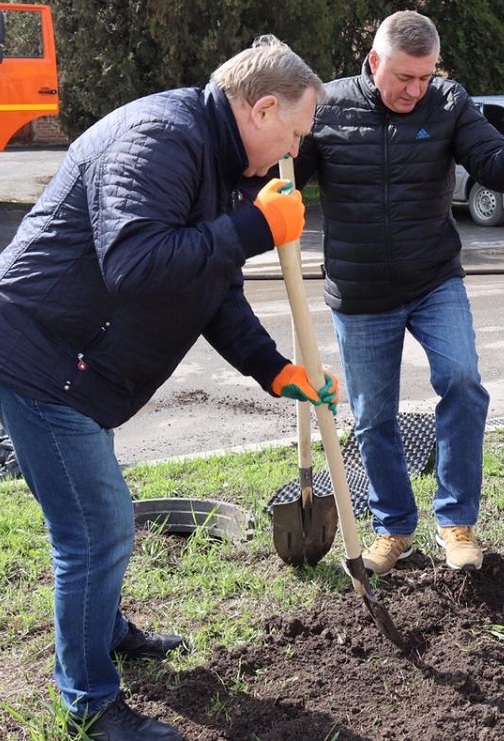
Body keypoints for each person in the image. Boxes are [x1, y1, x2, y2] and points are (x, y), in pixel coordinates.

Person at [0, 37, 338, 741]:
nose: (295, 155)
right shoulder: (161, 139)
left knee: (100, 521)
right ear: (264, 106)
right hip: (42, 356)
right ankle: (90, 704)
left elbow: (211, 289)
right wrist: (254, 227)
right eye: (294, 134)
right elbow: (138, 264)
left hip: (85, 362)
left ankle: (106, 627)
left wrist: (272, 367)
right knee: (96, 530)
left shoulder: (225, 161)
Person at [284, 10, 504, 575]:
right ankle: (393, 528)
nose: (415, 89)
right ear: (375, 61)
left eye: (425, 76)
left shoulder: (448, 101)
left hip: (434, 280)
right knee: (372, 415)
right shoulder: (328, 105)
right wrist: (272, 187)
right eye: (404, 77)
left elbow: (495, 168)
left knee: (463, 382)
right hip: (359, 291)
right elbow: (286, 172)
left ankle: (456, 521)